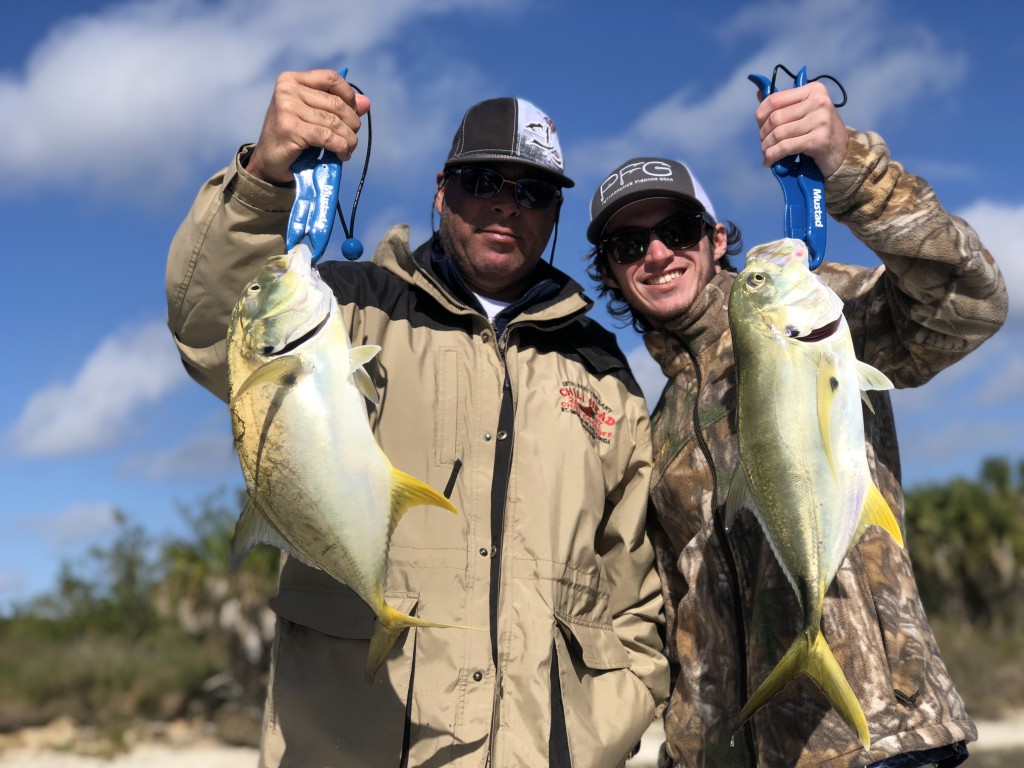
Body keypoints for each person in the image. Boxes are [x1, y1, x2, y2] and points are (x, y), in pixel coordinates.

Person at [165, 68, 669, 767]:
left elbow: (632, 581)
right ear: (441, 189)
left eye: (532, 191)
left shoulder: (602, 366)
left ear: (553, 213)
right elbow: (215, 324)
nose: (506, 205)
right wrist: (264, 184)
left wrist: (613, 719)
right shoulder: (340, 306)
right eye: (482, 181)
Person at [584, 80, 1008, 768]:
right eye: (630, 244)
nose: (656, 253)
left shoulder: (819, 314)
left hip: (878, 741)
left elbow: (970, 300)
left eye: (676, 230)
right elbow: (673, 605)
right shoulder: (654, 423)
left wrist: (850, 169)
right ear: (613, 272)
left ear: (716, 239)